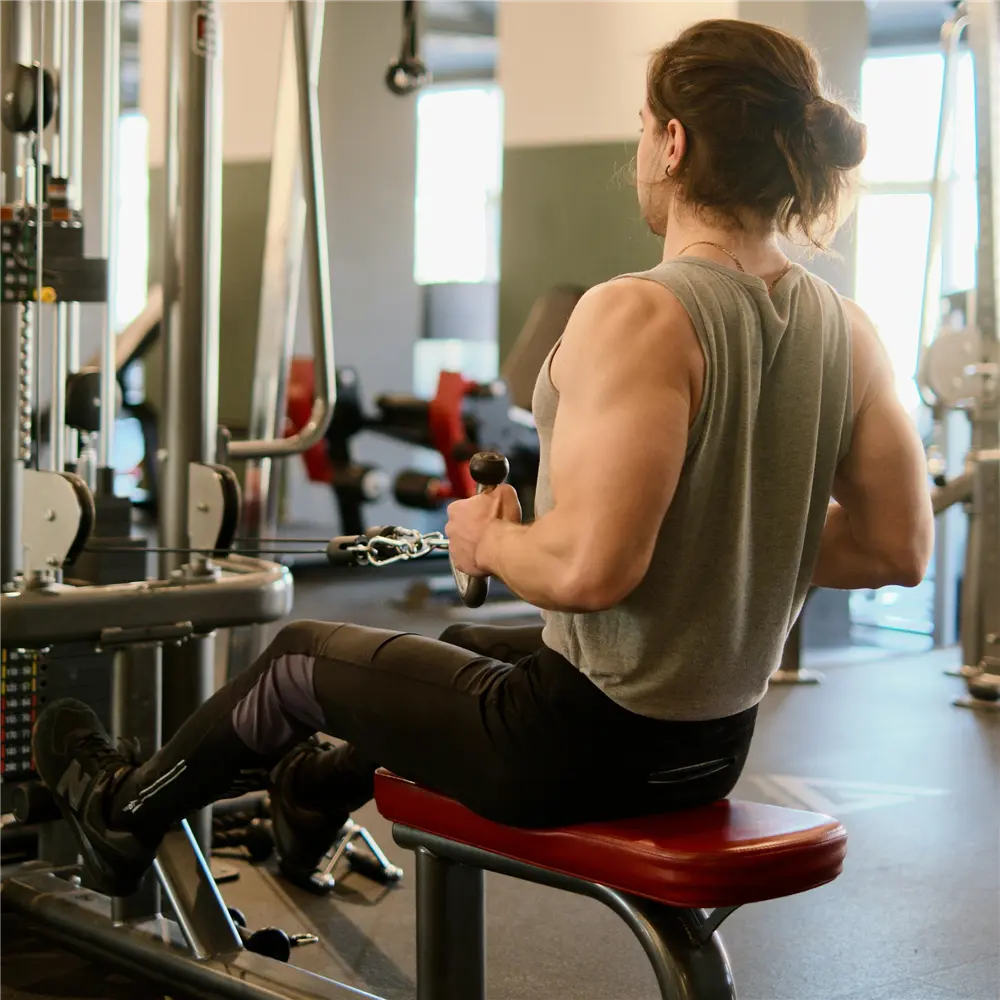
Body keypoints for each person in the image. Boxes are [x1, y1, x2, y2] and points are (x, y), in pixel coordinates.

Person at [33, 18, 934, 898]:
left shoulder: (643, 311)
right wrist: (730, 526)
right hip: (711, 750)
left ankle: (122, 818)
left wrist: (486, 540)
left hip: (572, 751)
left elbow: (587, 569)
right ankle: (308, 801)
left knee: (297, 659)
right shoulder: (846, 328)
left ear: (672, 140)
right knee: (462, 644)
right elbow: (899, 549)